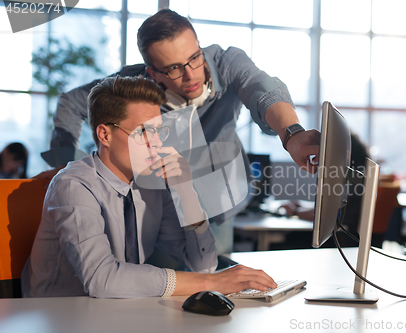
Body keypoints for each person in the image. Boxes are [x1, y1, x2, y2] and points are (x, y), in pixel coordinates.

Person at [39, 9, 320, 254]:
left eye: (194, 58)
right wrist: (65, 167)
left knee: (215, 287)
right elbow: (71, 103)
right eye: (173, 68)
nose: (191, 75)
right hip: (158, 209)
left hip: (216, 207)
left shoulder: (227, 63)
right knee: (156, 295)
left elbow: (262, 89)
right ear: (152, 73)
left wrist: (291, 134)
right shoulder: (131, 84)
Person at [21, 76, 277, 298]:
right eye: (144, 132)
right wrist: (213, 283)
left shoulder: (150, 185)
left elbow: (203, 265)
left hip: (119, 312)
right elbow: (102, 279)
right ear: (104, 135)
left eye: (159, 132)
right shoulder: (73, 185)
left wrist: (186, 193)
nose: (156, 144)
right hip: (57, 316)